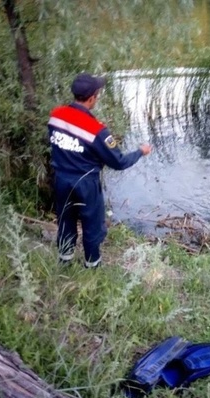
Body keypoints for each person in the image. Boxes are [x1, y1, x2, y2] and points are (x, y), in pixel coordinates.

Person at [48, 73, 152, 268]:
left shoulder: (55, 116)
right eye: (98, 93)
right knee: (92, 226)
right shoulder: (97, 130)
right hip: (85, 183)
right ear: (91, 98)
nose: (99, 96)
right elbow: (118, 162)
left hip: (61, 180)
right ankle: (92, 266)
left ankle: (64, 262)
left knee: (66, 221)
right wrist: (140, 152)